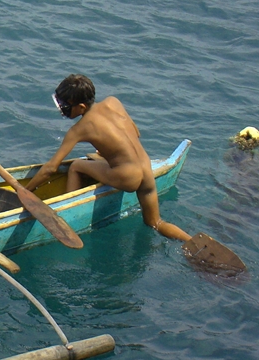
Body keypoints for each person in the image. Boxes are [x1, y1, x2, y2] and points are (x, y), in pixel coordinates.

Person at [24, 74, 191, 242]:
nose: (63, 111)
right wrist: (108, 152)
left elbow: (51, 168)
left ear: (81, 107)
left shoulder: (80, 128)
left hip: (126, 176)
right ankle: (191, 241)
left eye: (66, 108)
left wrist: (24, 190)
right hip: (146, 168)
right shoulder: (113, 102)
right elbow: (136, 133)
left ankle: (71, 217)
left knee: (76, 166)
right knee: (155, 222)